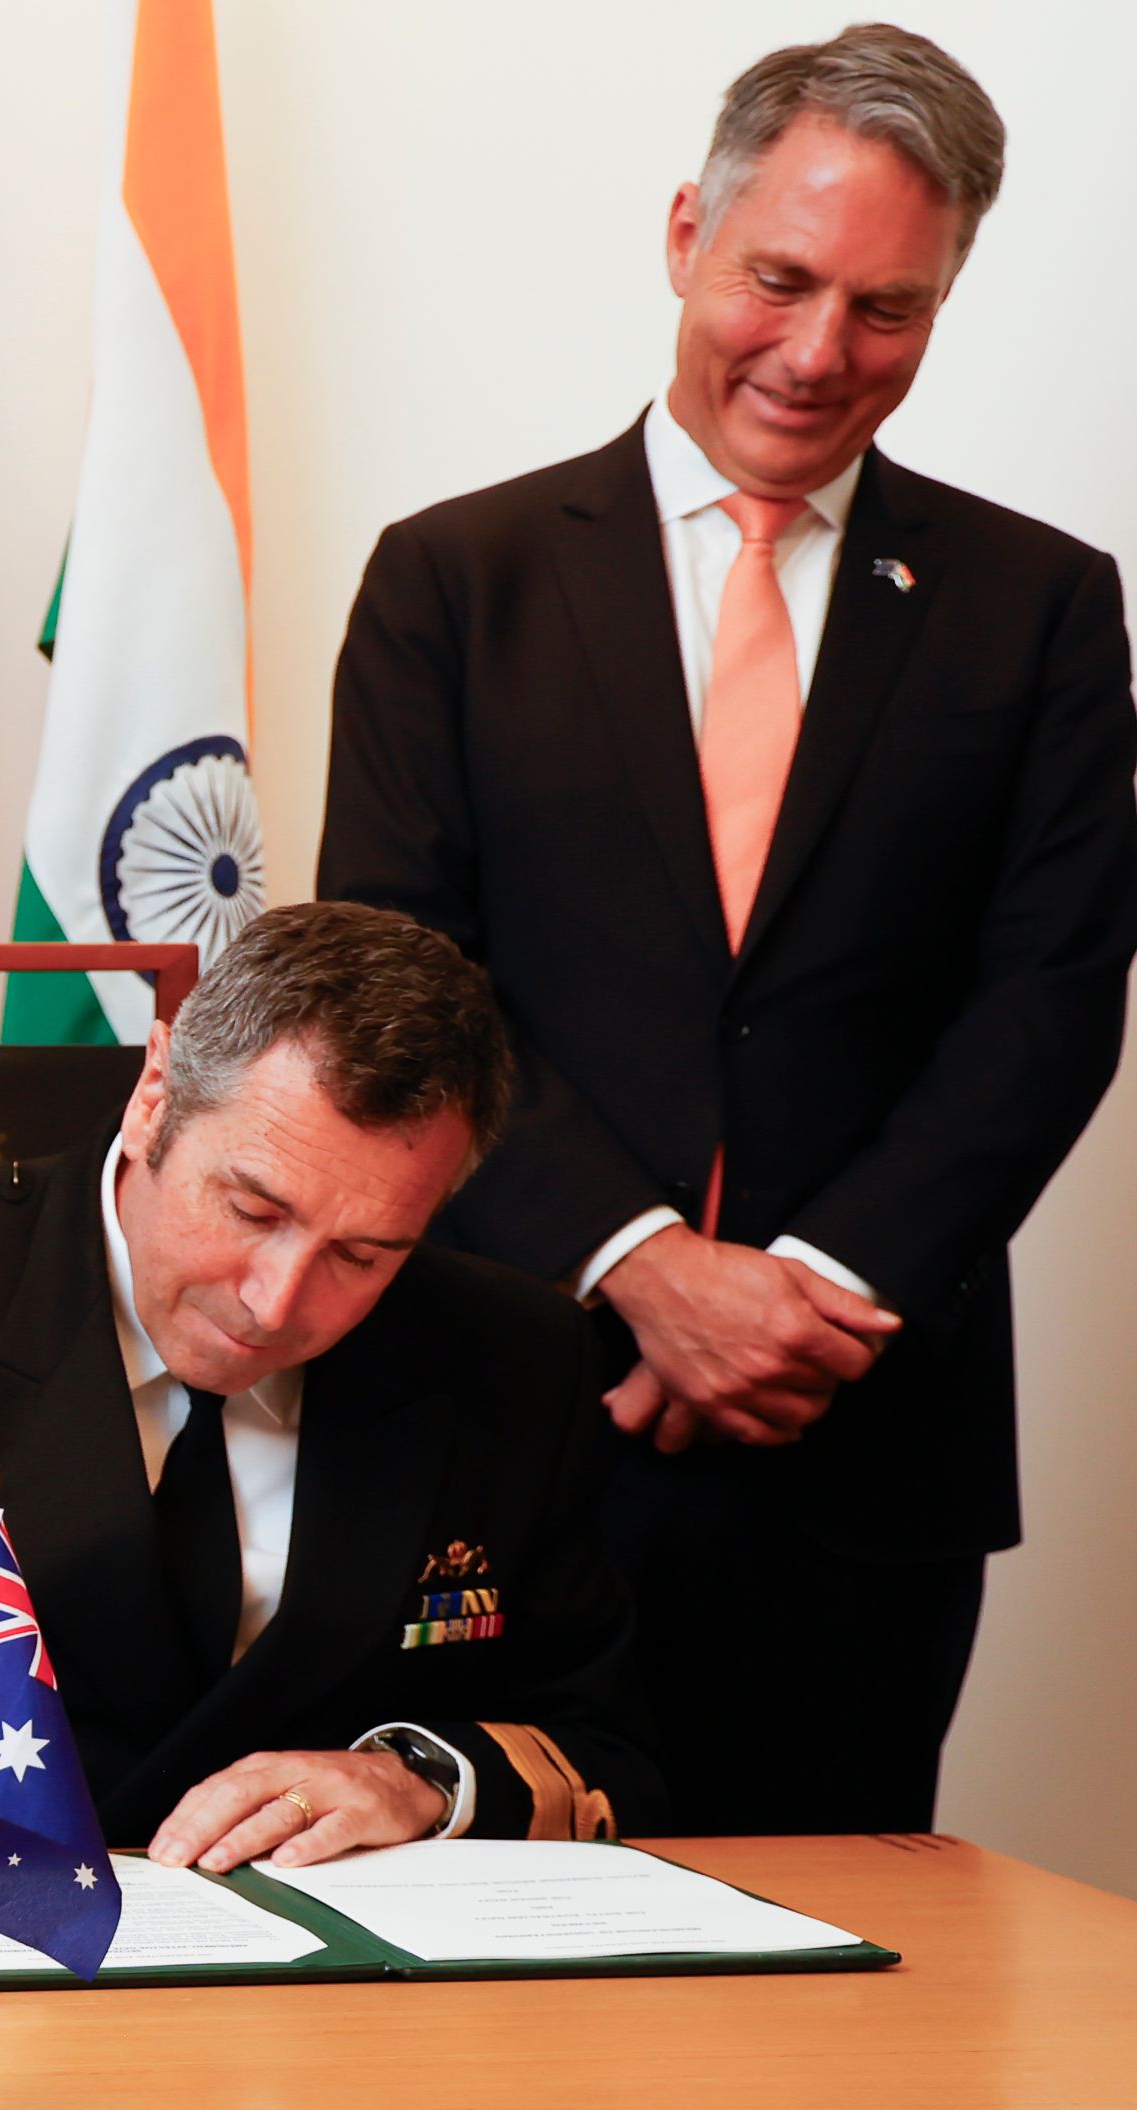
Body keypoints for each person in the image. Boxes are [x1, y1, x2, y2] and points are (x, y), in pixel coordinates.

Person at [318, 24, 1136, 1836]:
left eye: (889, 309)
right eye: (780, 277)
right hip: (503, 1400)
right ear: (688, 229)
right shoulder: (455, 581)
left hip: (858, 1446)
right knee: (459, 1989)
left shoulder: (1046, 611)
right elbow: (396, 983)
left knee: (827, 1992)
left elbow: (1054, 1000)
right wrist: (641, 1263)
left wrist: (810, 1296)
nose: (820, 352)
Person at [0, 903, 662, 1872]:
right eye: (253, 1210)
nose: (278, 1303)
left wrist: (422, 1778)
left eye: (362, 1255)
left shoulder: (512, 1357)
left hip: (333, 2024)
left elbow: (607, 1742)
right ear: (154, 1097)